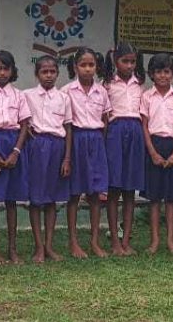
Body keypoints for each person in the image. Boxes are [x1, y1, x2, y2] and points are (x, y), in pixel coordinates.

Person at [0, 50, 32, 265]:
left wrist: (16, 152)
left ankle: (12, 249)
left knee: (11, 201)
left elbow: (25, 125)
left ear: (12, 71)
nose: (2, 73)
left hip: (14, 144)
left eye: (6, 68)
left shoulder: (19, 96)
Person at [22, 55, 73, 264]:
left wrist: (67, 158)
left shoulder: (64, 98)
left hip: (57, 147)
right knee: (36, 198)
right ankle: (38, 247)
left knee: (51, 198)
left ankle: (49, 245)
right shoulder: (26, 96)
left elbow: (68, 128)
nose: (49, 75)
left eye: (52, 72)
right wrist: (26, 129)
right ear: (37, 74)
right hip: (36, 146)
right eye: (44, 72)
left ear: (57, 74)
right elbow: (20, 121)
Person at [62, 47, 110, 259]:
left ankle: (94, 241)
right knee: (74, 194)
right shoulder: (66, 91)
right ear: (75, 67)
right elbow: (65, 123)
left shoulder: (102, 92)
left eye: (91, 65)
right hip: (76, 139)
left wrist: (98, 143)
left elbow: (105, 120)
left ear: (97, 67)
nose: (88, 69)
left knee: (95, 194)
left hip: (96, 141)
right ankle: (73, 242)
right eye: (83, 65)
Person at [103, 42, 147, 256]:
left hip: (135, 132)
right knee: (114, 189)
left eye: (132, 61)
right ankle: (114, 242)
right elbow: (104, 115)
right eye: (125, 61)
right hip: (115, 133)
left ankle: (126, 241)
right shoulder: (107, 85)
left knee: (130, 190)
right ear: (115, 61)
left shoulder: (140, 85)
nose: (129, 65)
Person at [141, 53, 173, 256]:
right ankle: (155, 241)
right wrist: (152, 152)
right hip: (154, 146)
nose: (162, 76)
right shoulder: (146, 97)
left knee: (170, 198)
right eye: (158, 72)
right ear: (151, 74)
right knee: (154, 198)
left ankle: (171, 241)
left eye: (166, 71)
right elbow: (144, 126)